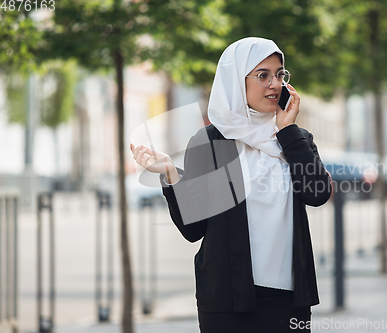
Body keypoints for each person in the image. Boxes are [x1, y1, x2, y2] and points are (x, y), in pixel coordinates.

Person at [130, 37, 332, 333]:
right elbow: (193, 229)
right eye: (263, 75)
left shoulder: (295, 139)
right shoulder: (212, 142)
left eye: (279, 74)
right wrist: (171, 174)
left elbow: (317, 193)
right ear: (237, 80)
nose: (274, 84)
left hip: (289, 301)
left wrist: (287, 131)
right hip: (228, 301)